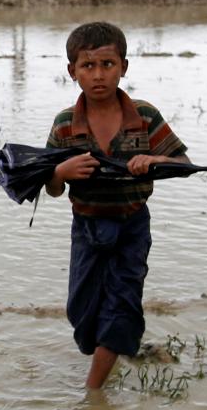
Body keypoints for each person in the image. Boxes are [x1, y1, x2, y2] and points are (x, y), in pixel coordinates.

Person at [44, 22, 190, 390]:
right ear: (71, 71)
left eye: (107, 65)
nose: (98, 75)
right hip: (87, 227)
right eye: (87, 66)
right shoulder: (64, 125)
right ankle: (108, 350)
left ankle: (93, 395)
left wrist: (154, 161)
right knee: (82, 310)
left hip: (131, 227)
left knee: (122, 303)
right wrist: (61, 170)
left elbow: (184, 164)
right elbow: (52, 187)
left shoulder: (144, 116)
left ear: (124, 67)